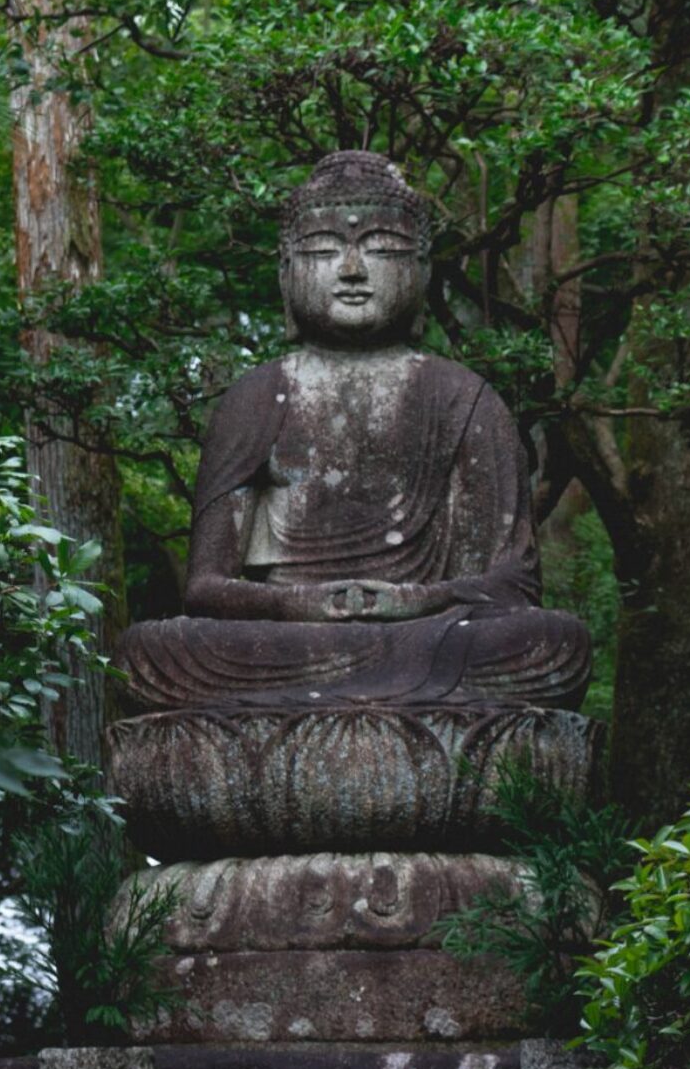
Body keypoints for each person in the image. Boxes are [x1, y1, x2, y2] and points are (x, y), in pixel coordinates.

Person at [114, 151, 590, 709]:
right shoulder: (256, 396)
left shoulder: (464, 397)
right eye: (322, 251)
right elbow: (205, 587)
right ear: (286, 271)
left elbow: (513, 585)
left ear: (423, 268)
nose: (352, 271)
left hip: (426, 633)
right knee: (147, 653)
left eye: (383, 250)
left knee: (551, 643)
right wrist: (302, 605)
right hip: (290, 640)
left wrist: (413, 599)